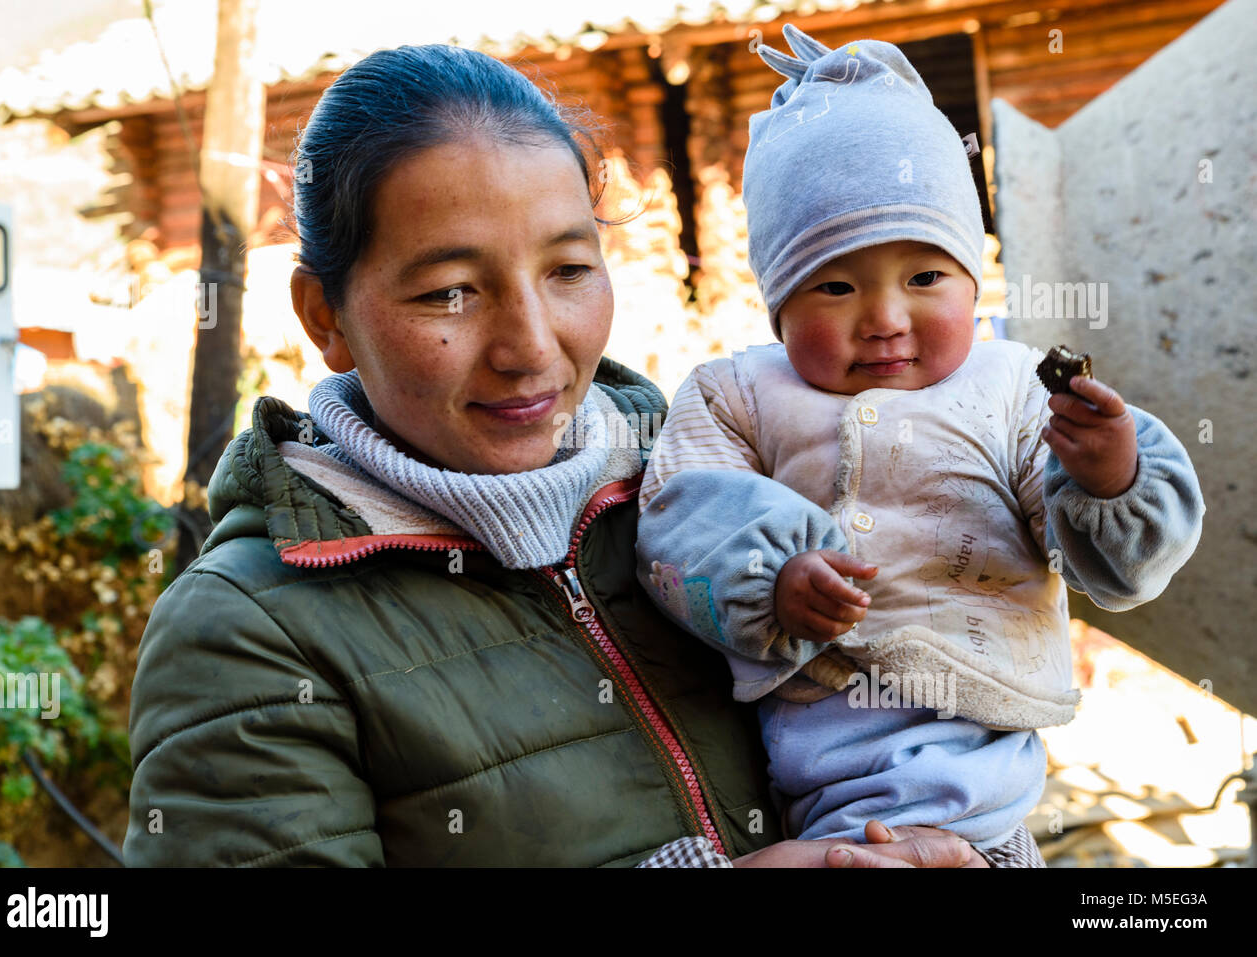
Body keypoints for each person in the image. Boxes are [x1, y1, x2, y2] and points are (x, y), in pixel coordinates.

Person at [122, 41, 995, 867]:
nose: (531, 347)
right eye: (450, 292)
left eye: (569, 270)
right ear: (325, 317)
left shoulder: (705, 489)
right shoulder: (249, 636)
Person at [635, 25, 1205, 866]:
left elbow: (1096, 559)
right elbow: (677, 522)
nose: (885, 319)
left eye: (925, 277)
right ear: (779, 302)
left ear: (974, 277)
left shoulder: (1011, 388)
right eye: (834, 285)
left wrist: (1109, 478)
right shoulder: (737, 394)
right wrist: (772, 582)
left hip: (985, 755)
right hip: (829, 752)